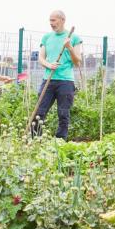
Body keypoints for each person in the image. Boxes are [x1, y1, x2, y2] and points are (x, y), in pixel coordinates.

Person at [32, 10, 82, 139]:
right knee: (39, 112)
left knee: (63, 114)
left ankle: (60, 142)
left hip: (65, 81)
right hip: (48, 79)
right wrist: (49, 65)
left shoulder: (74, 38)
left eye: (54, 20)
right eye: (50, 20)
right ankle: (36, 141)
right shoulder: (47, 37)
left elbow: (77, 62)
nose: (51, 23)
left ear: (62, 20)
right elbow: (41, 58)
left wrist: (69, 47)